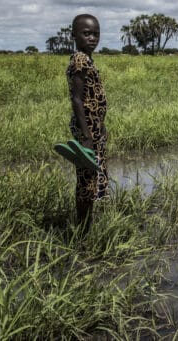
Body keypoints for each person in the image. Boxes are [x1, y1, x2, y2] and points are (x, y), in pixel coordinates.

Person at [67, 14, 109, 230]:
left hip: (93, 129)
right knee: (86, 181)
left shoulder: (86, 58)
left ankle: (87, 224)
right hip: (87, 132)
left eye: (96, 34)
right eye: (86, 33)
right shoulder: (80, 59)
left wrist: (100, 126)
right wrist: (86, 136)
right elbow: (77, 98)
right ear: (74, 34)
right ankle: (83, 229)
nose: (92, 38)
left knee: (91, 178)